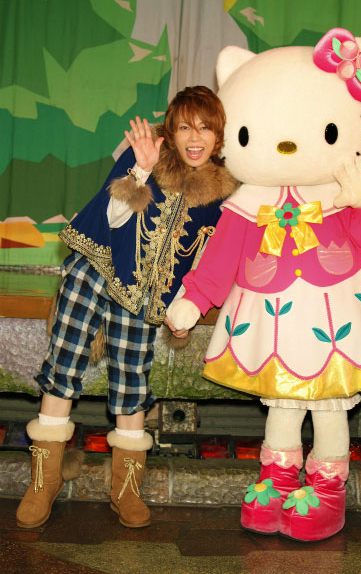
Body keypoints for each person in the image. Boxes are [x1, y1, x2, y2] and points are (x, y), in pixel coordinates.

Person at [16, 86, 237, 530]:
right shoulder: (145, 159)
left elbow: (200, 261)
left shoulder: (221, 198)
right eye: (185, 127)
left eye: (205, 128)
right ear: (170, 132)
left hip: (142, 298)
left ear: (219, 137)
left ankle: (126, 488)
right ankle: (45, 481)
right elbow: (110, 218)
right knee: (62, 366)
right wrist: (142, 170)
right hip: (93, 273)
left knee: (131, 384)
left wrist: (184, 310)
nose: (195, 137)